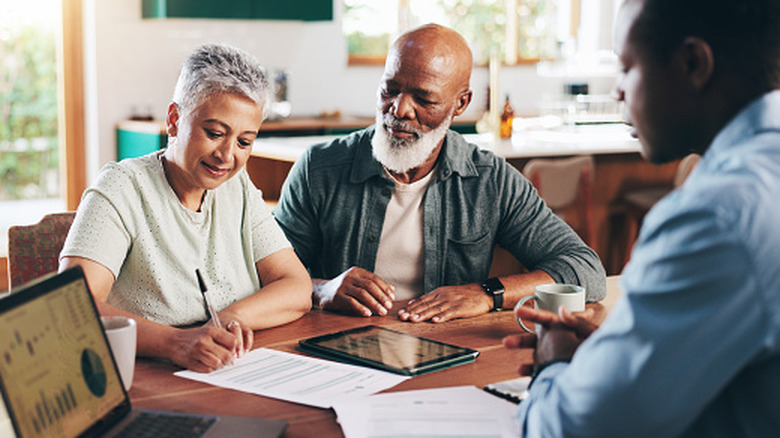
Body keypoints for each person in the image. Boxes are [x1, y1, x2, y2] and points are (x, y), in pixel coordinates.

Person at [505, 0, 780, 436]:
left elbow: (572, 429)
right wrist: (617, 360)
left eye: (626, 68)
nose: (617, 91)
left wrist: (555, 359)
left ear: (693, 64)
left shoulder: (718, 215)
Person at [273, 24, 605, 323]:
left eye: (423, 99)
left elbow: (585, 270)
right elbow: (262, 273)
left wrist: (486, 294)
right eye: (390, 89)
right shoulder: (319, 168)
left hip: (444, 348)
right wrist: (322, 289)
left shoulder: (490, 180)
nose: (399, 109)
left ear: (460, 104)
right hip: (337, 347)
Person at [60, 44, 312, 373]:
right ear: (175, 120)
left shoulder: (237, 187)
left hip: (229, 366)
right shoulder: (121, 186)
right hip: (151, 374)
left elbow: (296, 287)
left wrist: (228, 319)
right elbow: (73, 304)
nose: (226, 155)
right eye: (215, 133)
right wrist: (175, 343)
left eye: (244, 141)